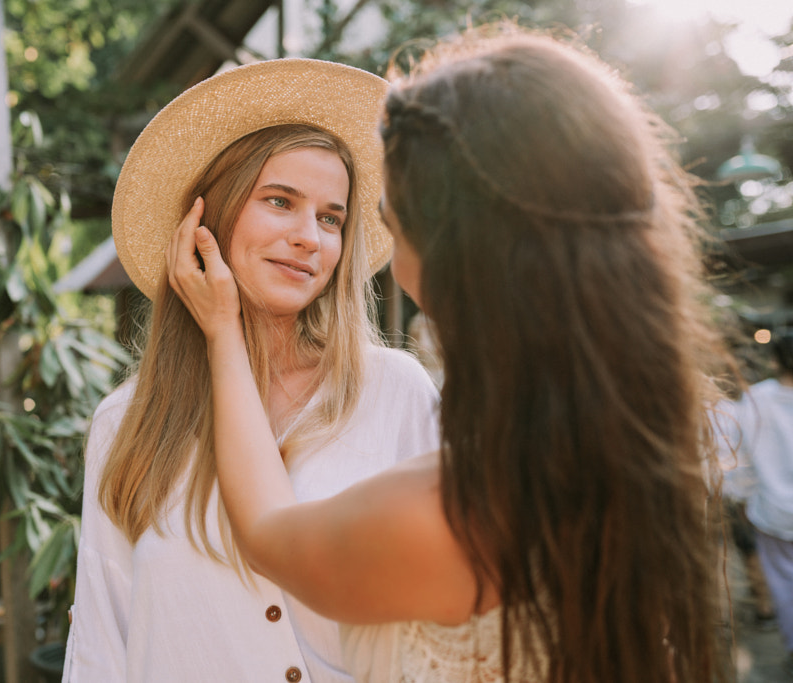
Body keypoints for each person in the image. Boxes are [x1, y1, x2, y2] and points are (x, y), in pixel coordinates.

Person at [168, 25, 730, 683]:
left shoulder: (454, 512)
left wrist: (222, 331)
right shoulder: (635, 458)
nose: (333, 238)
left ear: (452, 251)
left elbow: (267, 531)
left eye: (374, 214)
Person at [62, 58, 441, 683]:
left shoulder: (394, 393)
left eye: (330, 217)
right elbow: (104, 643)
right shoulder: (126, 421)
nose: (309, 238)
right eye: (279, 201)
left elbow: (441, 629)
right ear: (208, 220)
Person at [719, 327, 793, 674]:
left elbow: (738, 458)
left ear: (775, 360)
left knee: (782, 583)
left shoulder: (755, 399)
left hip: (773, 515)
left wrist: (742, 497)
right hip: (770, 514)